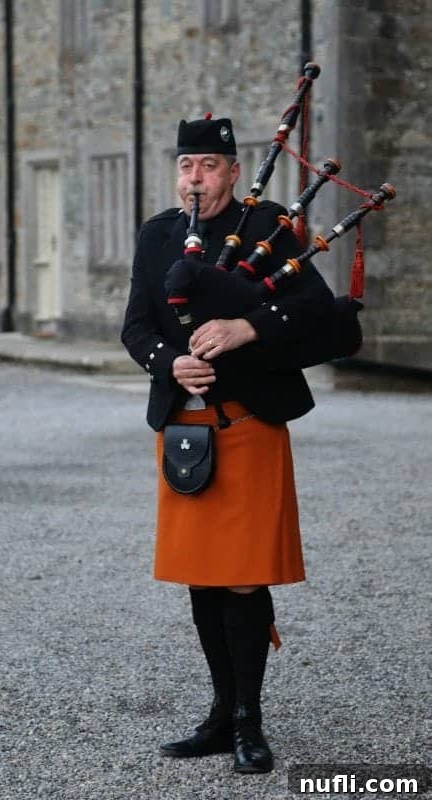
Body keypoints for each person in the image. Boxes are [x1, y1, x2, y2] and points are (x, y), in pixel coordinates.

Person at [121, 115, 334, 774]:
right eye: (186, 165)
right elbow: (133, 328)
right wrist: (168, 363)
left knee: (242, 578)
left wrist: (247, 327)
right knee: (203, 579)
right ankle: (219, 713)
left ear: (234, 172)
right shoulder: (158, 235)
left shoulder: (271, 227)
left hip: (251, 426)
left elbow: (322, 315)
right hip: (187, 433)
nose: (195, 178)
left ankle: (249, 719)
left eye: (209, 166)